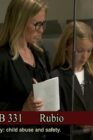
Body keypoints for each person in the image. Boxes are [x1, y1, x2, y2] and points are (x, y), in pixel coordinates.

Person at [51, 21, 93, 140]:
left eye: (89, 51)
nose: (85, 56)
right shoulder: (56, 77)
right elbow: (54, 120)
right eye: (79, 51)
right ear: (66, 46)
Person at [0, 0, 50, 139]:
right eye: (36, 24)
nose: (41, 30)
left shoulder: (40, 54)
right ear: (19, 22)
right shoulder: (2, 58)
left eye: (43, 23)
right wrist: (23, 110)